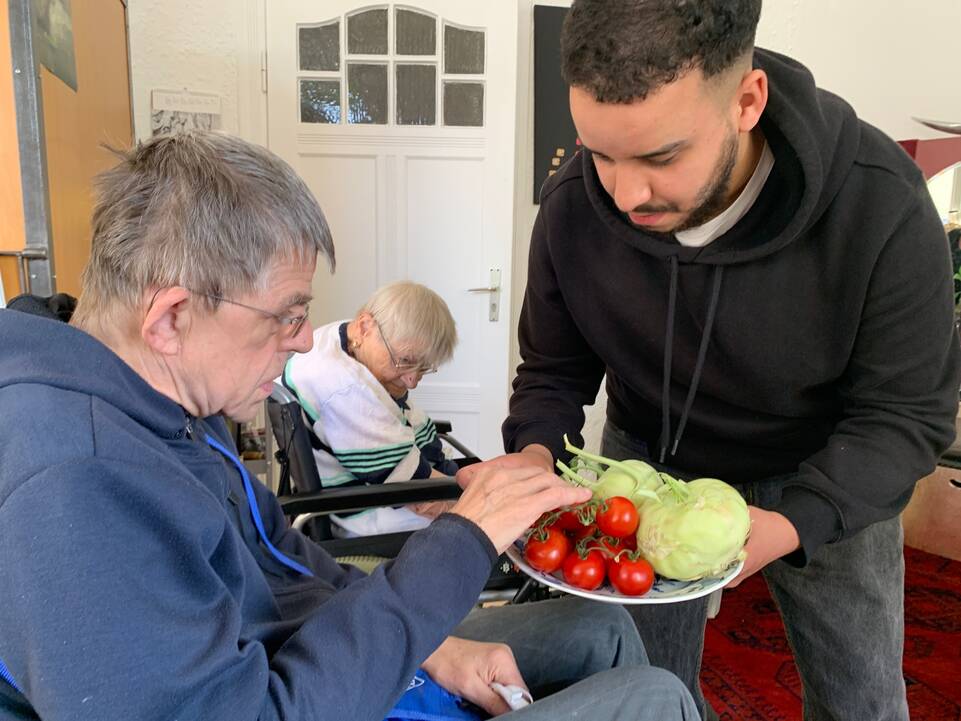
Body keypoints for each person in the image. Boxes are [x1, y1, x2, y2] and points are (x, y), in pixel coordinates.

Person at [0, 131, 699, 721]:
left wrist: (430, 644)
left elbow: (283, 557)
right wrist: (461, 543)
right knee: (654, 696)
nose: (305, 340)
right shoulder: (73, 482)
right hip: (286, 691)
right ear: (171, 316)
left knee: (602, 628)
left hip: (298, 657)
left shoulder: (160, 398)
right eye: (286, 313)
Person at [459, 2, 961, 720]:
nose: (624, 194)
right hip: (648, 459)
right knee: (641, 686)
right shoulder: (573, 206)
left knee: (860, 698)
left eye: (660, 156)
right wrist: (534, 458)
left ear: (746, 101)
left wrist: (792, 522)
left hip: (828, 466)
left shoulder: (877, 200)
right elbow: (551, 372)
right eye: (599, 152)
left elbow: (905, 415)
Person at [281, 281, 460, 537]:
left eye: (423, 368)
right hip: (363, 511)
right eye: (405, 361)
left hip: (368, 485)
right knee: (484, 527)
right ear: (365, 327)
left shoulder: (341, 337)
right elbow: (417, 490)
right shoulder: (345, 390)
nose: (412, 381)